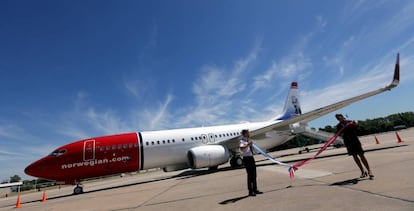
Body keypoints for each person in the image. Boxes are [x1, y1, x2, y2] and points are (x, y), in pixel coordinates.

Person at [335, 114, 374, 179]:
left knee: (361, 155)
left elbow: (359, 129)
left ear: (342, 117)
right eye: (338, 119)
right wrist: (340, 133)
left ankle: (369, 170)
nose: (339, 119)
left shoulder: (350, 122)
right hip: (348, 142)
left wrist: (356, 125)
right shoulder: (338, 126)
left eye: (339, 117)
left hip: (355, 140)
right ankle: (362, 171)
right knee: (355, 156)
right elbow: (339, 134)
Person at [239, 129, 263, 196]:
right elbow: (242, 148)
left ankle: (255, 189)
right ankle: (250, 191)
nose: (249, 134)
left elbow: (251, 148)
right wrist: (248, 144)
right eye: (248, 133)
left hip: (251, 157)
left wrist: (252, 148)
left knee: (254, 174)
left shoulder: (249, 140)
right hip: (246, 159)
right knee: (250, 175)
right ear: (245, 134)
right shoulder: (242, 141)